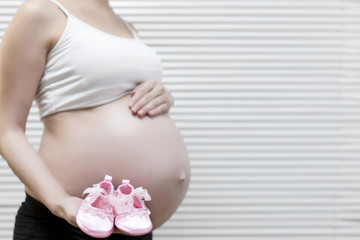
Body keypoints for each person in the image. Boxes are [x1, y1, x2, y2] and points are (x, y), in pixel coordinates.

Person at [0, 0, 191, 239]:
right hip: (66, 224)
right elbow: (7, 129)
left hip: (135, 225)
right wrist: (60, 202)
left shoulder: (125, 24)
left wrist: (164, 97)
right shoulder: (40, 11)